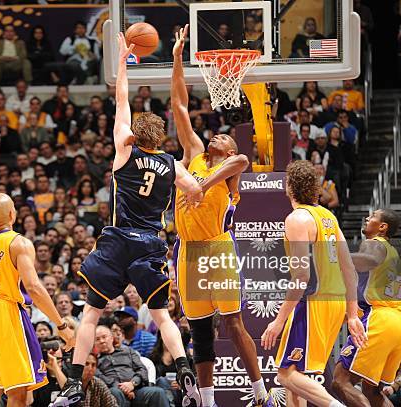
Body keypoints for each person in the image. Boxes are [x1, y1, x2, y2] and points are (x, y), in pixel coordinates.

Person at [51, 32, 202, 407]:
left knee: (90, 314)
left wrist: (122, 58)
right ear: (161, 138)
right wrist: (193, 202)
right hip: (151, 242)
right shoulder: (171, 164)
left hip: (118, 240)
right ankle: (186, 374)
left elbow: (121, 97)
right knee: (163, 317)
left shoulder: (124, 149)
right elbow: (196, 189)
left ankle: (71, 383)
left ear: (137, 134)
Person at [170, 26, 272, 407]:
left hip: (217, 248)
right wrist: (179, 58)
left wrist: (200, 185)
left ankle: (261, 391)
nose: (217, 137)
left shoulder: (233, 167)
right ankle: (209, 401)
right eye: (217, 136)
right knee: (198, 329)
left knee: (232, 321)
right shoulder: (193, 153)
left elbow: (241, 159)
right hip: (188, 250)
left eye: (225, 136)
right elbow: (180, 106)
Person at [0, 193, 75, 407]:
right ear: (12, 214)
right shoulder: (19, 243)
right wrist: (61, 324)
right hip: (6, 313)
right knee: (18, 393)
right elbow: (34, 288)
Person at [261, 160, 366, 407]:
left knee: (285, 375)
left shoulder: (297, 219)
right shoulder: (328, 217)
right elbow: (349, 268)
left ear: (289, 186)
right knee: (295, 376)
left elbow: (301, 278)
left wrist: (278, 321)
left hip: (313, 302)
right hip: (335, 303)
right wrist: (351, 315)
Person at [332, 209, 401, 406]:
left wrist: (335, 254)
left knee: (340, 381)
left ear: (382, 227)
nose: (367, 218)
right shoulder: (392, 252)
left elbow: (370, 260)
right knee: (372, 390)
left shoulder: (373, 243)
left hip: (380, 320)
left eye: (373, 216)